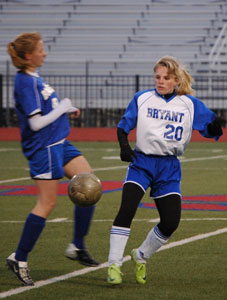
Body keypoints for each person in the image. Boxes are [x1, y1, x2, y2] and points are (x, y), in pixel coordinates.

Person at [107, 56, 225, 285]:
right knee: (127, 209)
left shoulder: (189, 104)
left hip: (169, 167)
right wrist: (124, 147)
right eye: (157, 77)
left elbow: (210, 127)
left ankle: (140, 256)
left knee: (171, 222)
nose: (160, 81)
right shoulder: (143, 98)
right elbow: (123, 126)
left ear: (176, 80)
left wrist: (215, 125)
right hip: (142, 163)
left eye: (166, 78)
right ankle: (114, 264)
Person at [6, 32, 99, 286]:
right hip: (43, 147)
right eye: (40, 49)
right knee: (47, 204)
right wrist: (62, 107)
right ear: (28, 55)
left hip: (59, 141)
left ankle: (77, 246)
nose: (44, 52)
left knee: (89, 184)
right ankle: (20, 257)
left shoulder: (35, 76)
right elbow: (35, 123)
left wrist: (66, 108)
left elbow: (48, 109)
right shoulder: (25, 81)